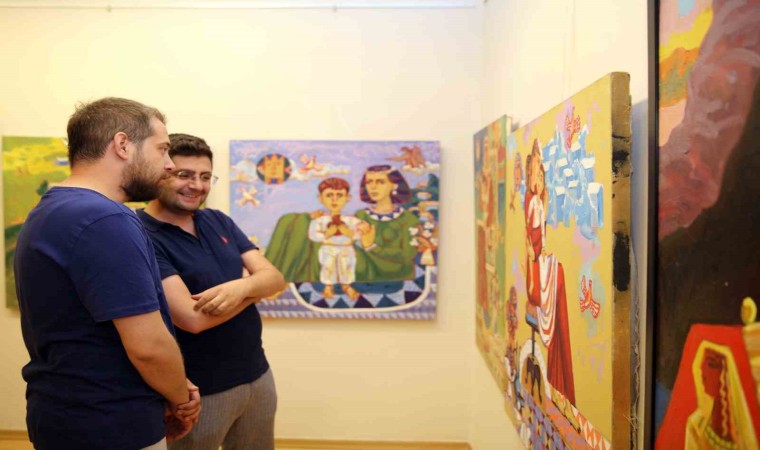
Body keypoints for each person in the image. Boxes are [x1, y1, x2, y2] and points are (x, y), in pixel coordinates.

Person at [14, 97, 201, 450]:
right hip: (108, 421)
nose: (169, 164)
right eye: (162, 149)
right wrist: (181, 398)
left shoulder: (53, 208)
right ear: (123, 145)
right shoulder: (104, 218)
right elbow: (148, 346)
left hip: (66, 412)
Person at [137, 133, 286, 450]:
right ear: (161, 171)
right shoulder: (141, 234)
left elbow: (275, 279)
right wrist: (254, 291)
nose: (197, 185)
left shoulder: (217, 220)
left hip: (258, 374)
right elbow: (191, 319)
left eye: (205, 177)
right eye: (185, 175)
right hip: (197, 392)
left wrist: (240, 287)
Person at [307, 177, 365, 300]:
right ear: (320, 198)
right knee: (328, 266)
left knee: (347, 266)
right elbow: (313, 235)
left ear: (348, 197)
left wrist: (349, 233)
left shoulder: (351, 220)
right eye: (329, 195)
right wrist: (327, 234)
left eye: (339, 195)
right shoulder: (320, 220)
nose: (334, 200)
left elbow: (361, 232)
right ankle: (328, 285)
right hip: (328, 247)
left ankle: (346, 285)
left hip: (346, 247)